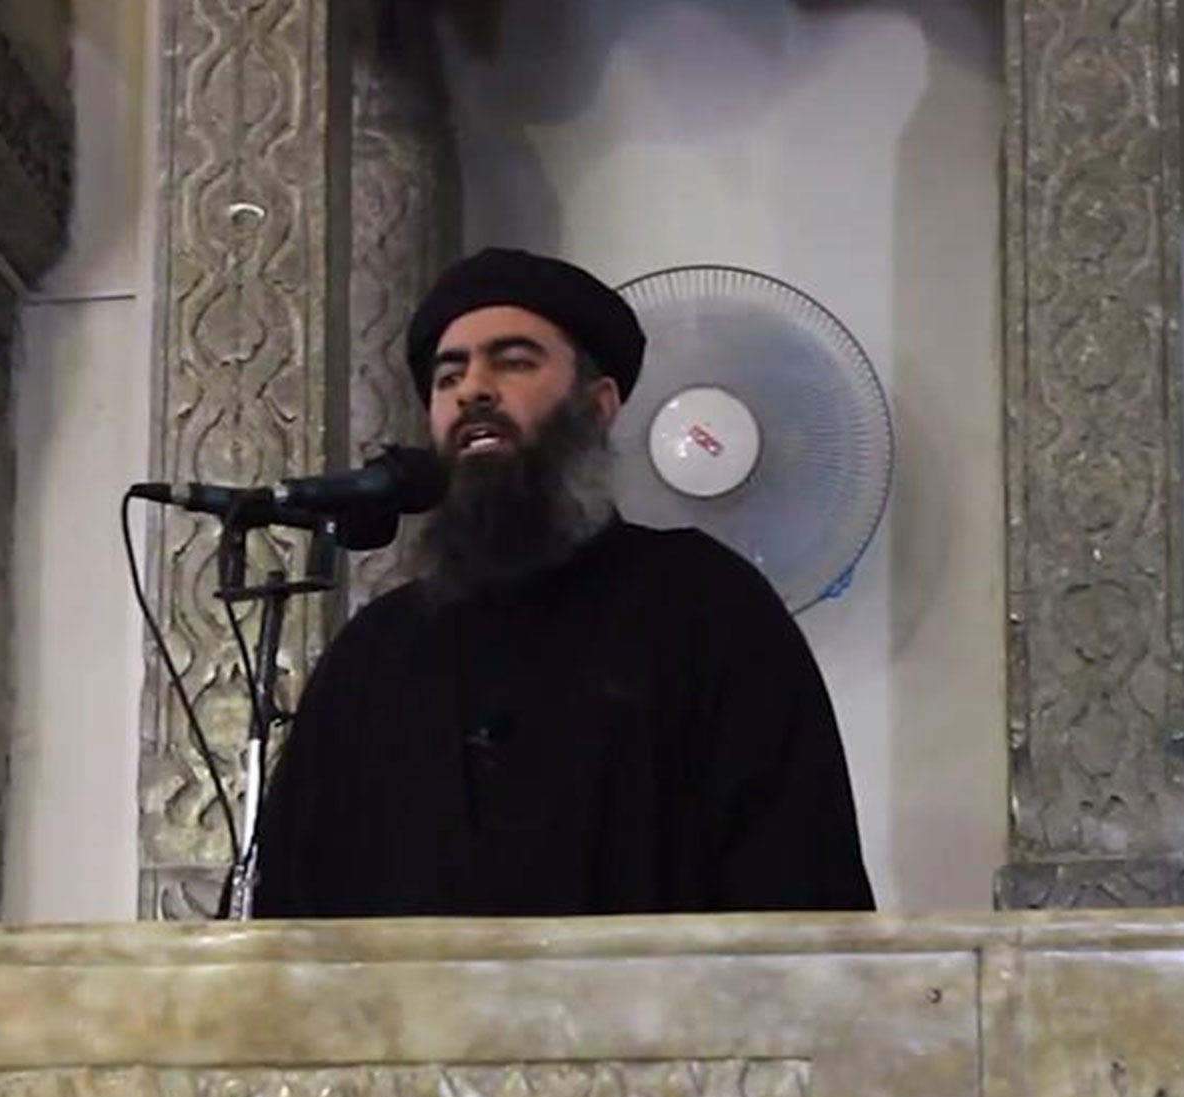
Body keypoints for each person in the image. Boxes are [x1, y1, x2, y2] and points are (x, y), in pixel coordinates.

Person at [251, 247, 873, 918]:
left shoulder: (708, 610)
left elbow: (804, 898)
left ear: (598, 403)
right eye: (448, 376)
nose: (473, 390)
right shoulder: (374, 654)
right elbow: (295, 923)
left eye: (514, 361)